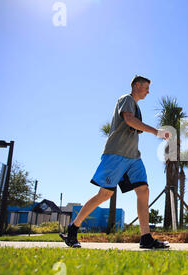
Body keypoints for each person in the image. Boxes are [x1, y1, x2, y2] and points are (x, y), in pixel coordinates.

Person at [60, 75, 171, 249]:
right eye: (146, 87)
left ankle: (146, 237)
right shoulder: (126, 99)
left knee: (143, 190)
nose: (149, 92)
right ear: (136, 85)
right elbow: (129, 120)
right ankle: (72, 229)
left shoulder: (137, 107)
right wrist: (156, 132)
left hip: (134, 157)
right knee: (104, 195)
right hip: (116, 154)